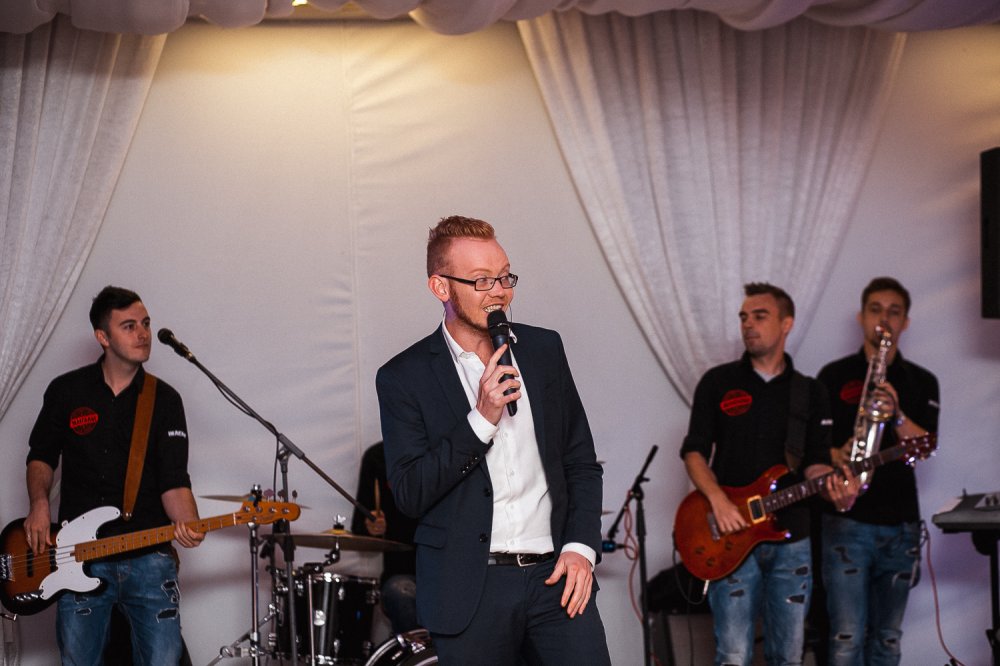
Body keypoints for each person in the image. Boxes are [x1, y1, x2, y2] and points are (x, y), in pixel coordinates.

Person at [375, 215, 611, 665]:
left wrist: (581, 549)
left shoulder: (544, 350)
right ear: (441, 287)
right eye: (482, 280)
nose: (499, 291)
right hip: (470, 590)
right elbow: (410, 492)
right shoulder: (404, 377)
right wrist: (481, 419)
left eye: (505, 276)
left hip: (555, 578)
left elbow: (580, 462)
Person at [680, 282, 859, 666]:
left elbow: (814, 462)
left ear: (786, 323)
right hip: (729, 535)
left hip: (792, 536)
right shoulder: (717, 382)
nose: (748, 324)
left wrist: (834, 486)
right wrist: (718, 501)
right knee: (733, 654)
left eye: (759, 316)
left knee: (789, 656)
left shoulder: (810, 391)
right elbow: (694, 452)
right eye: (744, 317)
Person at [24, 285, 204, 665]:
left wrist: (189, 522)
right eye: (129, 326)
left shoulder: (165, 399)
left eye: (146, 324)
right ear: (103, 337)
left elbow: (174, 480)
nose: (143, 334)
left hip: (149, 559)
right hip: (80, 557)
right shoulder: (66, 391)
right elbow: (41, 456)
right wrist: (39, 503)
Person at [816, 277, 939, 665]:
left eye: (894, 312)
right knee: (845, 637)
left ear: (906, 322)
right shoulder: (832, 375)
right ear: (861, 317)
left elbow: (925, 449)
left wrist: (897, 414)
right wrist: (837, 453)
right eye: (875, 310)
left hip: (900, 524)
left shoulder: (922, 381)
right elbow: (812, 448)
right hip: (846, 521)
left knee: (887, 638)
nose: (884, 319)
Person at [350, 441, 420, 636]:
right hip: (402, 573)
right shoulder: (378, 457)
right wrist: (371, 526)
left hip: (446, 572)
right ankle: (420, 653)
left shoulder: (446, 452)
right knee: (401, 593)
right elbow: (359, 526)